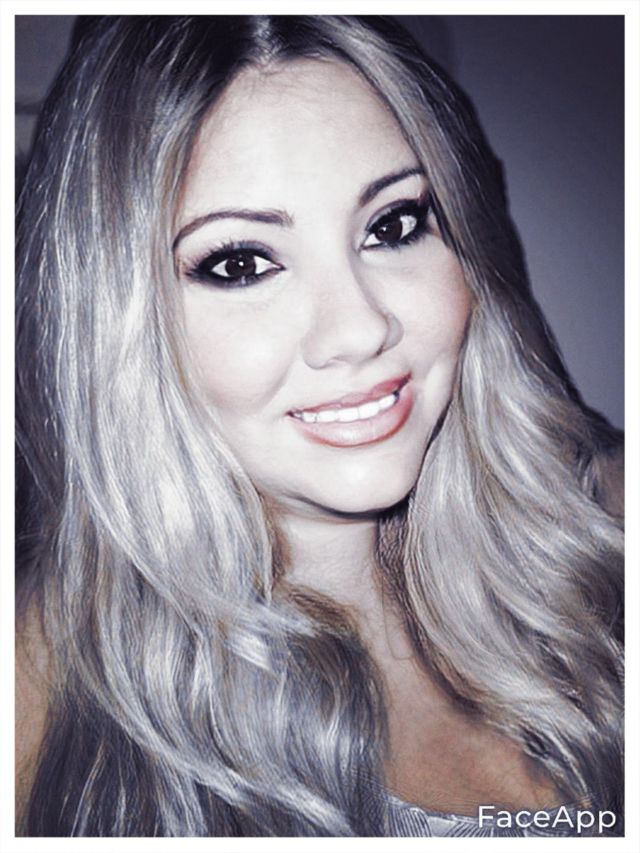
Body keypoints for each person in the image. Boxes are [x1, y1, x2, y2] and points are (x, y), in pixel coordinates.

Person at [15, 15, 624, 837]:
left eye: (392, 225)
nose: (360, 329)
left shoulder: (603, 533)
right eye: (240, 263)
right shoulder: (35, 689)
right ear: (113, 323)